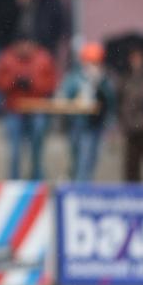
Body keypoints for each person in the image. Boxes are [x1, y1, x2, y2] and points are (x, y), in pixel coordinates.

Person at [0, 38, 57, 180]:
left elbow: (50, 84)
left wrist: (32, 84)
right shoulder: (7, 58)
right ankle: (15, 182)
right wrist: (14, 82)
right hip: (14, 110)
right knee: (15, 151)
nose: (25, 49)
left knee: (37, 147)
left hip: (36, 108)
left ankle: (37, 179)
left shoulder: (43, 58)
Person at [59, 42, 116, 181]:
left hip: (96, 124)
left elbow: (110, 100)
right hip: (79, 124)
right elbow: (65, 96)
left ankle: (85, 185)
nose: (93, 66)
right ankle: (79, 187)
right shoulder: (75, 77)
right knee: (81, 159)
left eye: (96, 63)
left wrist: (99, 84)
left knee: (91, 159)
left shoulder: (104, 79)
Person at [116, 46, 143, 182]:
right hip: (131, 127)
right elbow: (119, 102)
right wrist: (123, 121)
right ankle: (133, 194)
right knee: (131, 165)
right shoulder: (124, 79)